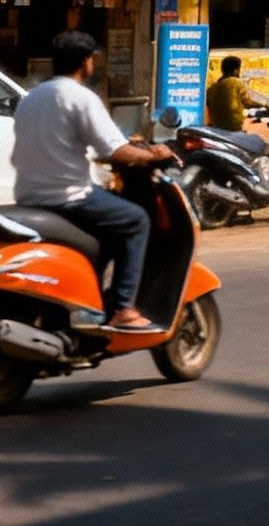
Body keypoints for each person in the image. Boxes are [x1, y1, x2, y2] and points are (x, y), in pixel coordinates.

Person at [11, 30, 177, 330]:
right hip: (66, 197)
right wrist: (153, 154)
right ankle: (123, 308)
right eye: (92, 60)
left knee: (107, 227)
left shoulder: (31, 98)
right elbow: (115, 150)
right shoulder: (80, 97)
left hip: (27, 195)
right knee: (136, 219)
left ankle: (88, 299)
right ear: (86, 62)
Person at [204, 55, 269, 161]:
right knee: (259, 144)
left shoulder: (212, 88)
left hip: (216, 130)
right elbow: (249, 101)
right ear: (236, 70)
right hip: (233, 131)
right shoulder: (236, 83)